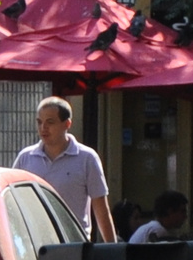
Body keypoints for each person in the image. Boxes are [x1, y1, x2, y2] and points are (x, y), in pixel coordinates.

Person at [11, 96, 116, 242]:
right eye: (39, 122)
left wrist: (112, 249)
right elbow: (12, 201)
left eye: (50, 122)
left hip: (73, 243)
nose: (43, 128)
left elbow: (101, 209)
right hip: (34, 243)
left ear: (67, 124)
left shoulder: (87, 158)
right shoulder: (26, 157)